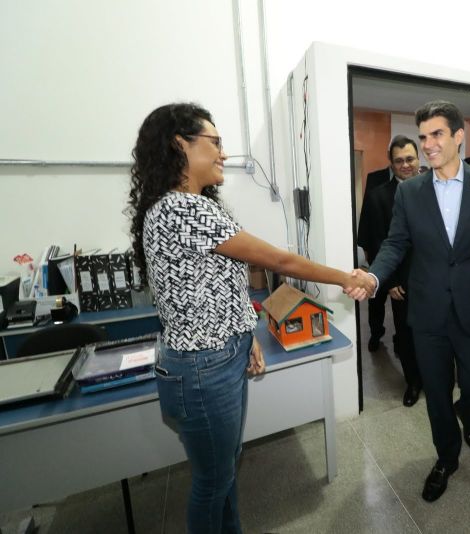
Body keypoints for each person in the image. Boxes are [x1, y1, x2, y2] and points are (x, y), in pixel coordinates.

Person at [127, 103, 367, 533]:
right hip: (203, 367)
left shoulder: (194, 207)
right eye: (215, 142)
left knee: (224, 472)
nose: (223, 153)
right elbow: (276, 259)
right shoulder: (182, 209)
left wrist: (247, 336)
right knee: (213, 481)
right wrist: (346, 276)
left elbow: (220, 288)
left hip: (220, 356)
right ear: (179, 145)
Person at [352, 100, 470, 502]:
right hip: (428, 314)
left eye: (436, 135)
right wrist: (375, 276)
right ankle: (447, 456)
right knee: (436, 392)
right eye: (423, 136)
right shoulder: (410, 193)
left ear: (459, 137)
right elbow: (395, 243)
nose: (428, 145)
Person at [357, 135, 423, 406]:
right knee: (406, 336)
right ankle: (413, 382)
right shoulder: (378, 197)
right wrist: (390, 281)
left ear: (419, 159)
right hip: (401, 283)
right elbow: (373, 242)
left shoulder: (435, 191)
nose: (405, 165)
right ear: (391, 165)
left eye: (410, 159)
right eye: (399, 161)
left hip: (434, 280)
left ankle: (433, 376)